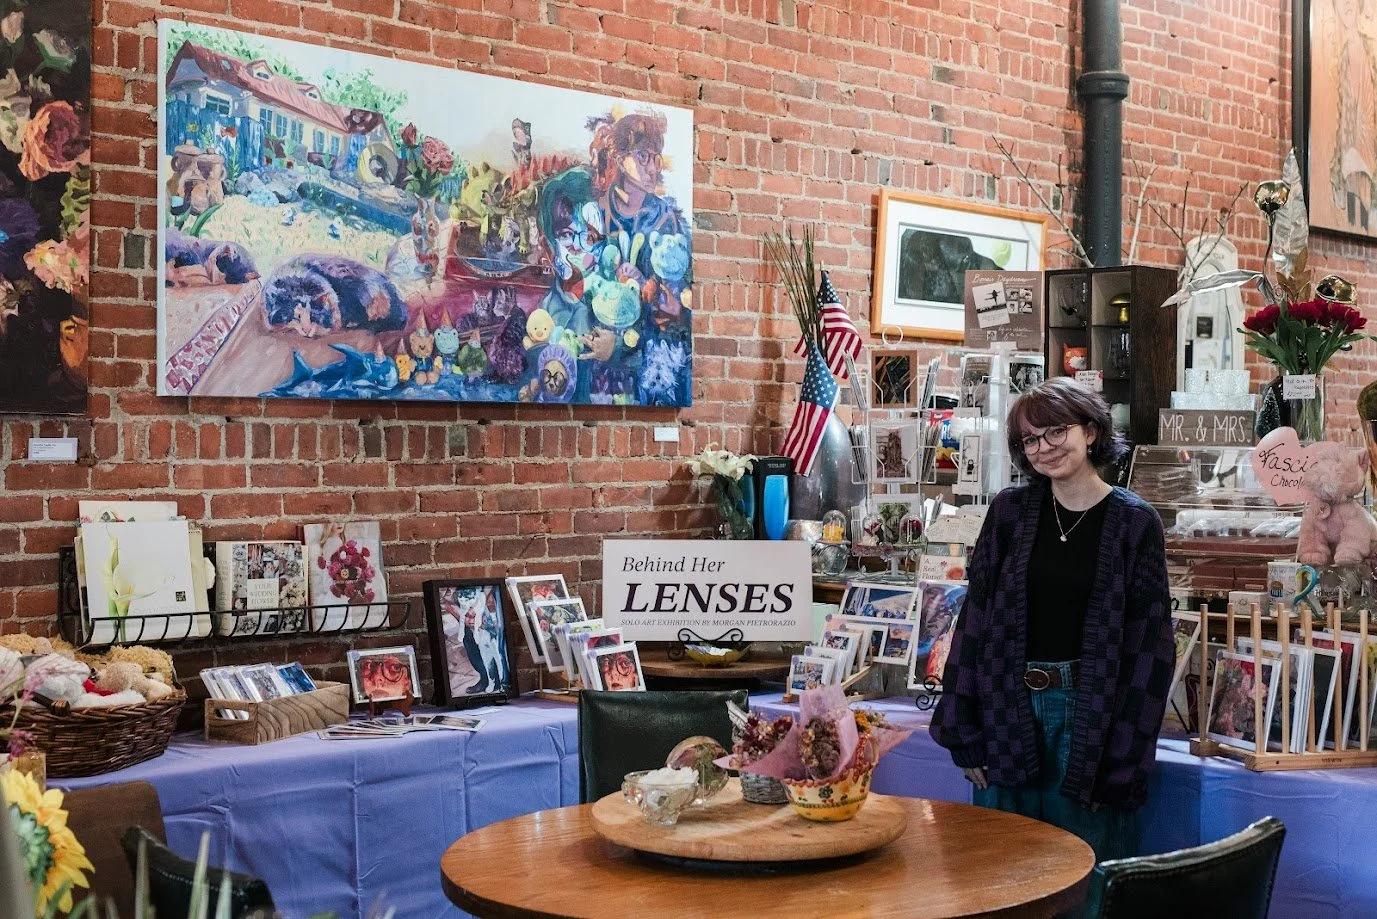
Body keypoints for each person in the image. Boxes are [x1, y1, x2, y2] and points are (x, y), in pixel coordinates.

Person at [931, 377, 1174, 862]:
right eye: (1030, 440)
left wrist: (1124, 757)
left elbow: (1151, 648)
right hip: (1007, 708)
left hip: (1092, 712)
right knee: (1001, 871)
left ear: (1090, 431)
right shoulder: (1009, 513)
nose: (1044, 448)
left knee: (1085, 865)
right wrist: (964, 729)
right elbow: (974, 623)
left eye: (1056, 431)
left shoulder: (1134, 523)